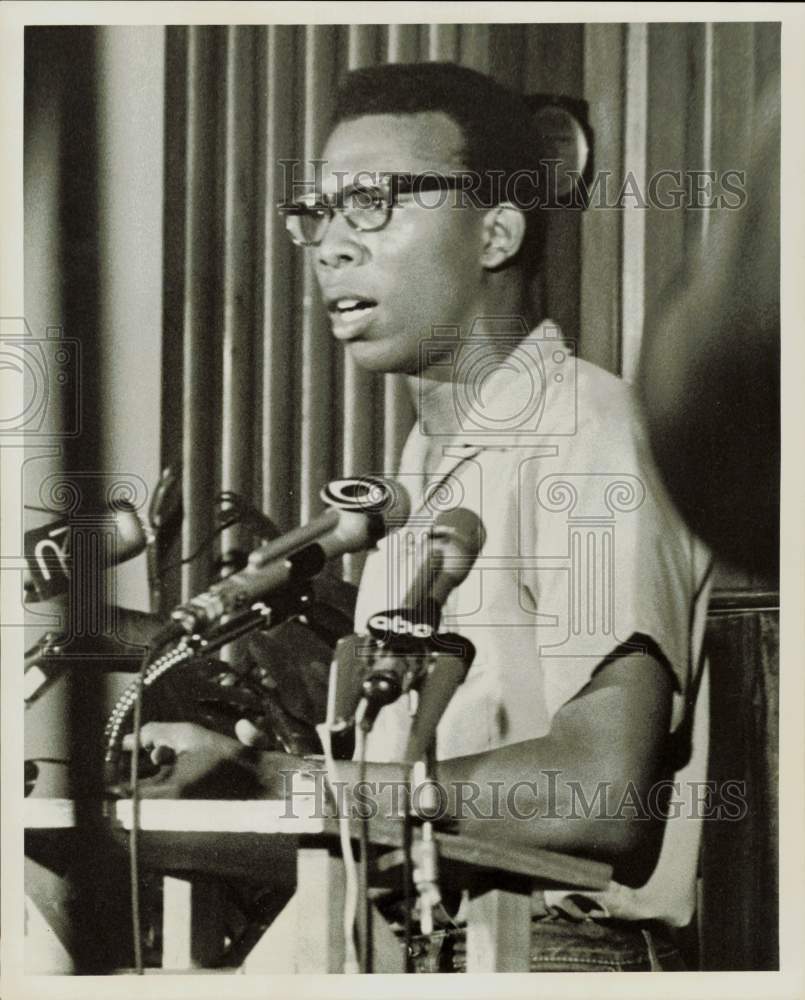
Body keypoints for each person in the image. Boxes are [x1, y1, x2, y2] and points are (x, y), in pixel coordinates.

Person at [125, 62, 713, 972]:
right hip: (415, 929)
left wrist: (289, 789)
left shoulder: (585, 433)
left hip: (555, 952)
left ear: (496, 231)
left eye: (371, 202)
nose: (328, 245)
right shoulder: (418, 471)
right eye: (316, 211)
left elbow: (597, 791)